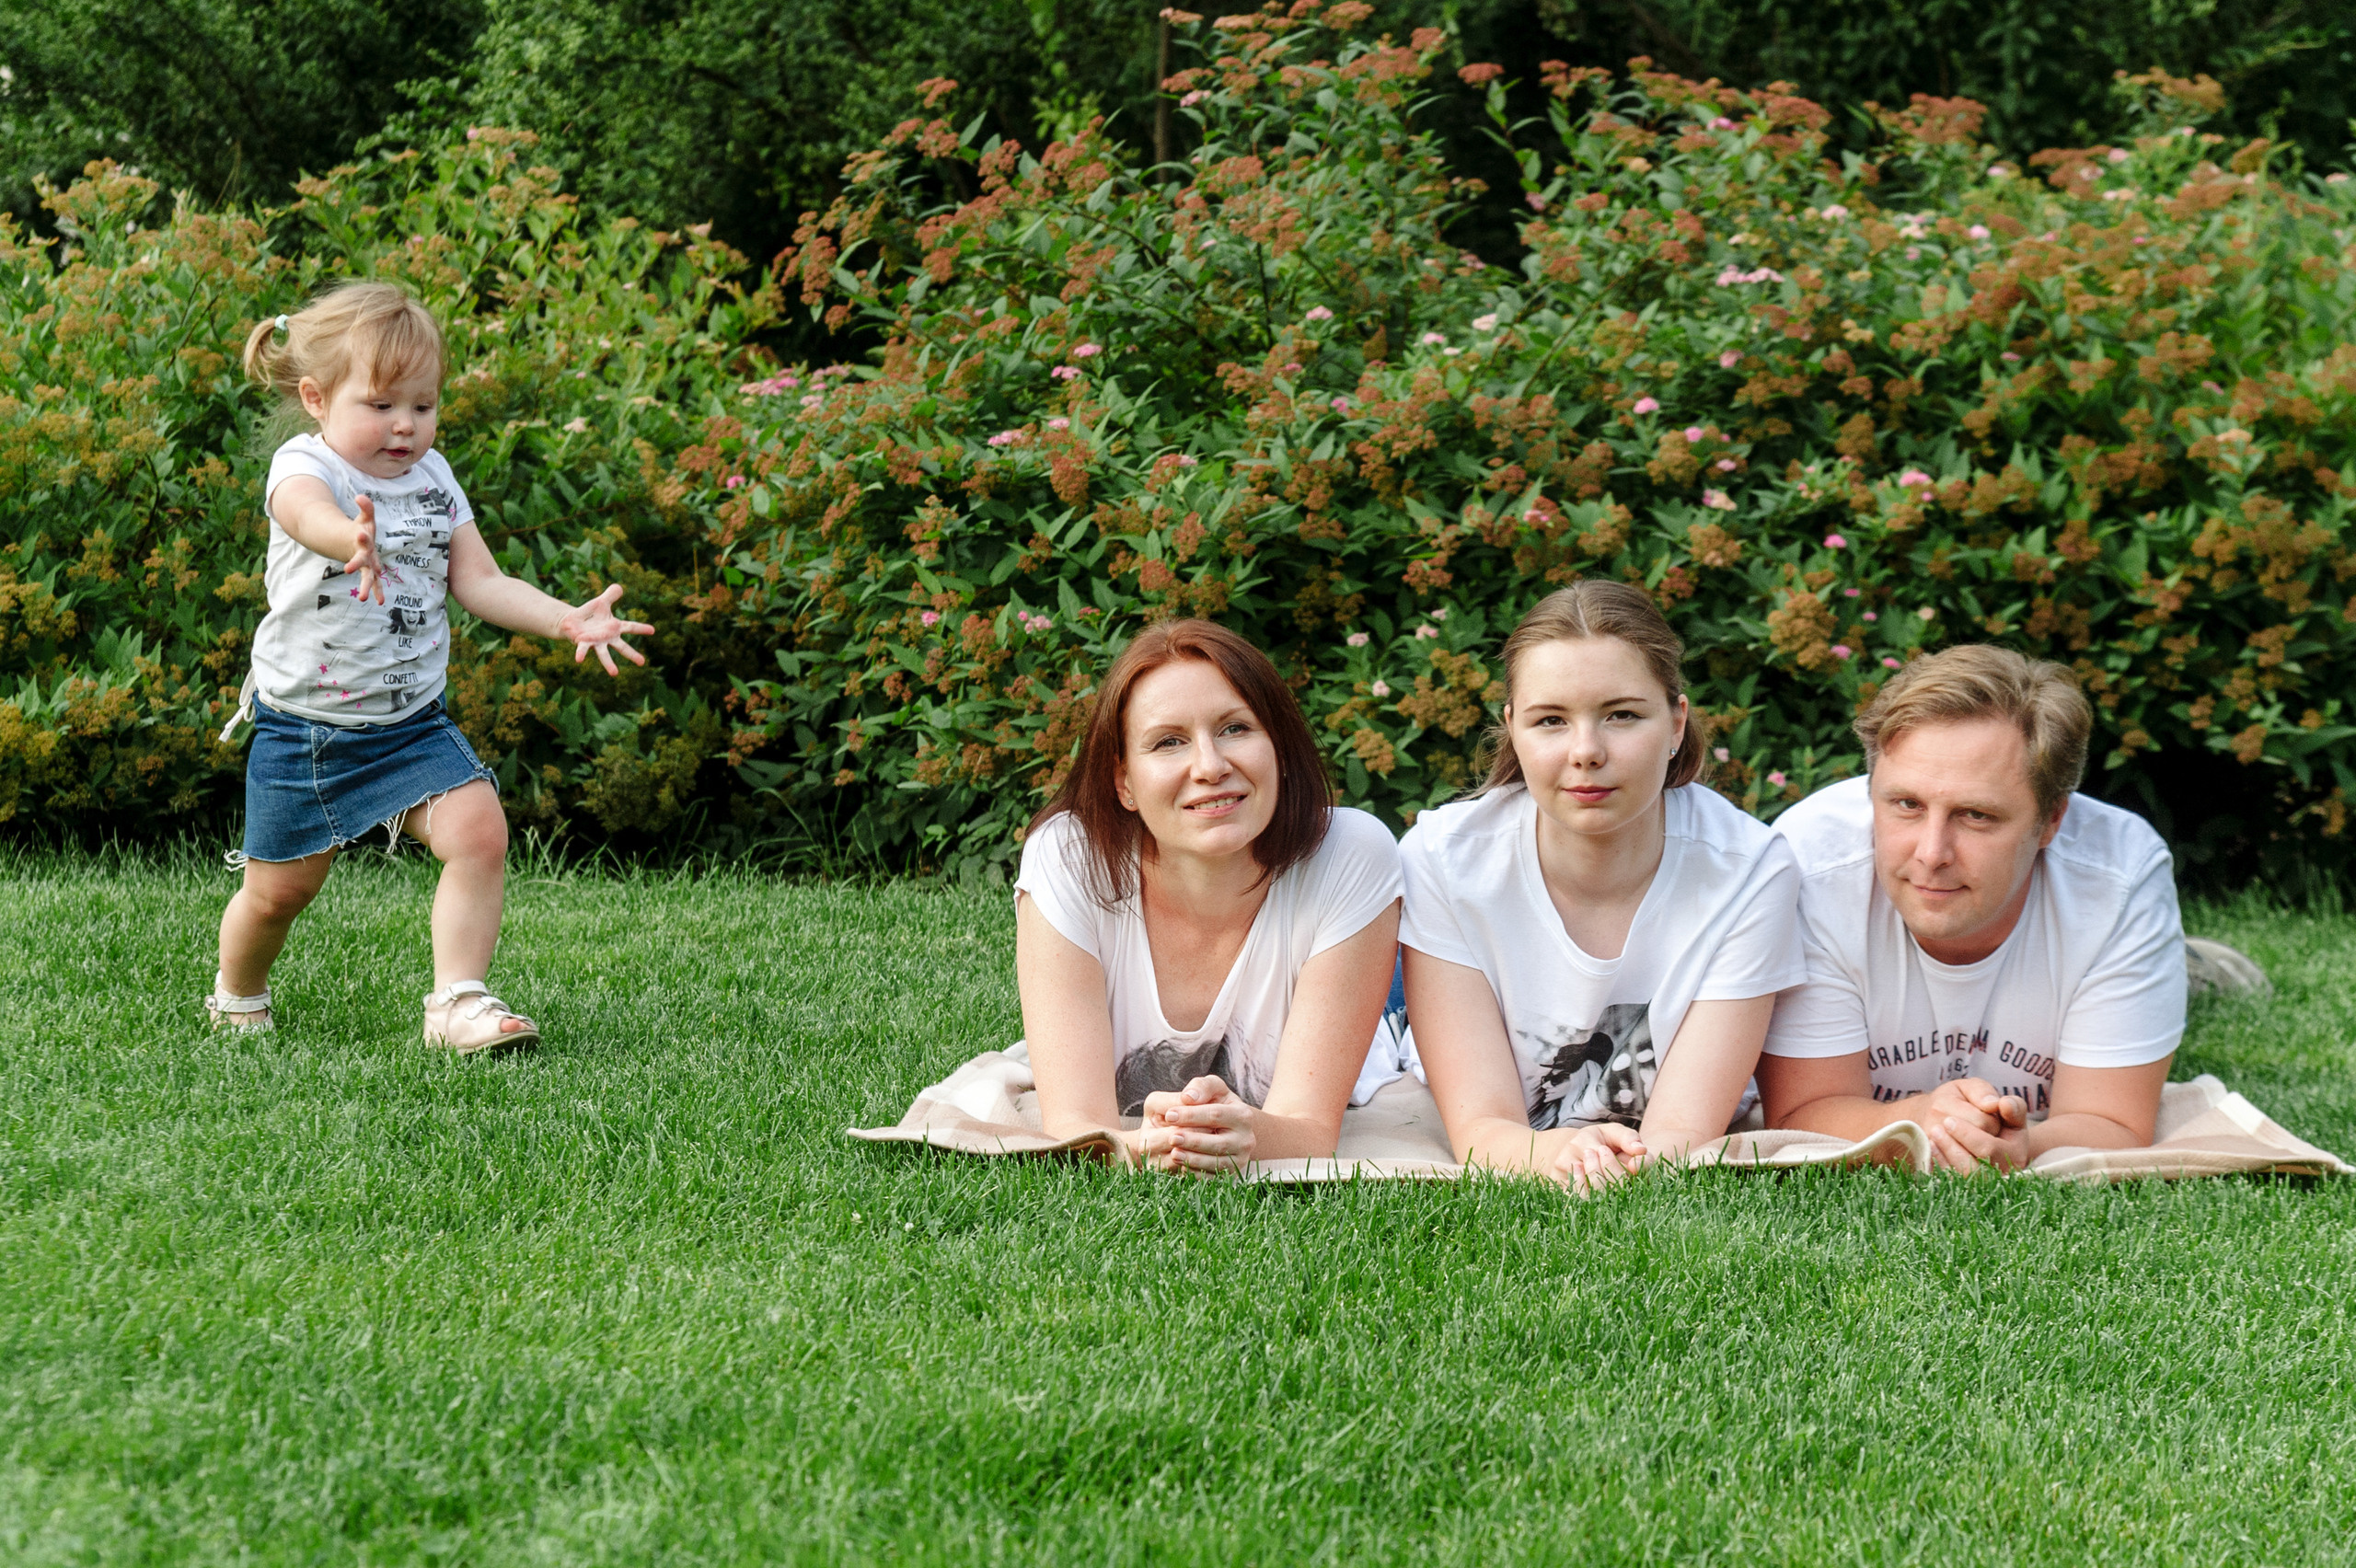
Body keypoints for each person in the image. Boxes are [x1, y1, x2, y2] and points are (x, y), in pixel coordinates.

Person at [205, 282, 653, 1050]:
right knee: (278, 894)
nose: (405, 425)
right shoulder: (305, 467)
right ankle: (238, 994)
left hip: (410, 724)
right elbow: (304, 514)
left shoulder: (435, 477)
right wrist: (348, 538)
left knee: (479, 831)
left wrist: (564, 618)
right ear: (316, 397)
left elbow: (478, 581)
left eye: (423, 404)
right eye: (381, 405)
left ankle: (458, 1003)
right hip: (306, 732)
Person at [1401, 582, 1807, 1192]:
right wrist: (1555, 1157)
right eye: (1551, 721)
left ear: (1676, 723)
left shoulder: (1750, 870)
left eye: (1621, 715)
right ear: (1512, 729)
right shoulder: (1444, 859)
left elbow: (1680, 1138)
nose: (1586, 751)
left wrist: (1601, 1164)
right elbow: (1484, 1130)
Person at [1759, 645, 2184, 1169]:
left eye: (1976, 815)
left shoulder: (2119, 875)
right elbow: (1802, 1110)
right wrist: (1924, 1118)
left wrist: (2026, 1144)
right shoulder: (1809, 864)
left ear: (2051, 820)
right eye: (1907, 805)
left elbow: (2114, 1120)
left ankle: (2190, 968)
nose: (1932, 854)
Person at [1015, 618, 1403, 1172]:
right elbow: (1077, 1128)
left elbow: (1311, 1132)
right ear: (1123, 783)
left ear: (1281, 750)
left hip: (1364, 979)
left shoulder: (1352, 853)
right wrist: (1134, 1148)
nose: (1210, 766)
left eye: (1235, 729)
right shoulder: (1069, 859)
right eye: (1168, 742)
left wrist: (1247, 1134)